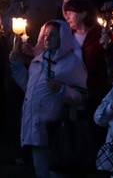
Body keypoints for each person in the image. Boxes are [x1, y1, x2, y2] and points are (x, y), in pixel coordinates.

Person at [9, 20, 87, 178]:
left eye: (53, 35)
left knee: (57, 172)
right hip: (35, 125)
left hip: (57, 129)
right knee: (41, 171)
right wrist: (17, 65)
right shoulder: (37, 61)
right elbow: (28, 87)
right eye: (45, 34)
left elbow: (82, 97)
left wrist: (61, 89)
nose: (48, 38)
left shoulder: (72, 64)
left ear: (63, 38)